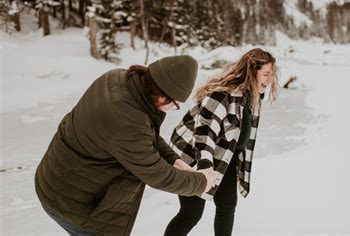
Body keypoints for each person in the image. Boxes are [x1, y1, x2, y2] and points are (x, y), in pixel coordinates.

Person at [35, 55, 216, 235]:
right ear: (162, 97)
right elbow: (158, 175)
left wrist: (173, 159)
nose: (173, 109)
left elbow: (145, 134)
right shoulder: (127, 120)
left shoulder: (117, 78)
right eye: (175, 105)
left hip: (60, 180)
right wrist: (201, 182)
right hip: (75, 202)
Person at [164, 48, 279, 236]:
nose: (270, 80)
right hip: (193, 157)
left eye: (272, 75)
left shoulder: (252, 97)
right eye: (266, 74)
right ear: (251, 72)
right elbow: (204, 133)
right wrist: (205, 163)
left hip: (225, 157)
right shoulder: (222, 95)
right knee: (191, 214)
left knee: (227, 206)